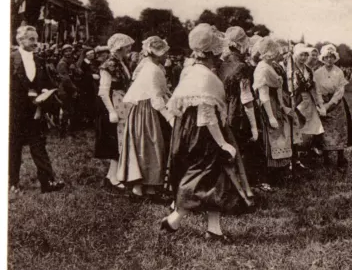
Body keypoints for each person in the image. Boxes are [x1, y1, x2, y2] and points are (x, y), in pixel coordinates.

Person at [162, 24, 253, 241]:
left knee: (216, 180)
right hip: (203, 134)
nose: (221, 57)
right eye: (218, 52)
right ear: (211, 52)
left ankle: (214, 229)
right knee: (203, 176)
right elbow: (206, 114)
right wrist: (222, 143)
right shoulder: (204, 76)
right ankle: (175, 218)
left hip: (191, 131)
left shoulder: (192, 70)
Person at [9, 25, 65, 194]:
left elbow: (48, 83)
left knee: (39, 145)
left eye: (36, 38)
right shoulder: (10, 59)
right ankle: (13, 183)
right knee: (13, 147)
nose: (36, 42)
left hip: (36, 111)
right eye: (31, 39)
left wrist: (45, 92)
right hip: (15, 112)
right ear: (20, 40)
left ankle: (48, 182)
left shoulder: (39, 60)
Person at [117, 36, 174, 198]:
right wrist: (170, 118)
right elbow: (157, 98)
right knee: (149, 145)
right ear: (157, 53)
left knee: (144, 146)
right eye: (164, 53)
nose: (166, 57)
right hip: (146, 110)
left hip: (141, 110)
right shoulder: (153, 69)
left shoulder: (150, 66)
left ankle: (146, 187)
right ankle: (142, 188)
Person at [219, 27, 259, 190]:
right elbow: (246, 96)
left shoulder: (222, 63)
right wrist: (255, 126)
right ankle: (242, 185)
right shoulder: (243, 66)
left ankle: (230, 183)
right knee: (242, 147)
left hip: (223, 108)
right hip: (237, 111)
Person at [95, 33, 134, 191]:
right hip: (114, 106)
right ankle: (113, 178)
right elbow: (103, 91)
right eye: (127, 46)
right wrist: (111, 111)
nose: (129, 49)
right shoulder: (108, 65)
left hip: (122, 104)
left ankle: (113, 176)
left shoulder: (120, 62)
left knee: (121, 142)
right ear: (119, 48)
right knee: (115, 143)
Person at [252, 37, 293, 188]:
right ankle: (267, 177)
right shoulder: (263, 68)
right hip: (268, 106)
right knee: (269, 139)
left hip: (275, 103)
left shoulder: (269, 66)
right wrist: (271, 116)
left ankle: (277, 174)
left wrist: (282, 105)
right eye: (275, 52)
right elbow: (263, 95)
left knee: (278, 138)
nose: (278, 54)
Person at [314, 44, 352, 170]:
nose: (329, 60)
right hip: (322, 103)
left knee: (339, 130)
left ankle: (341, 159)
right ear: (322, 58)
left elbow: (339, 91)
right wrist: (322, 105)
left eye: (331, 57)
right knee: (325, 131)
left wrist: (330, 104)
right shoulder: (318, 73)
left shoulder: (339, 72)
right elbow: (317, 91)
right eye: (326, 57)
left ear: (335, 58)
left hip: (336, 104)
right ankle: (326, 159)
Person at [286, 43, 326, 167]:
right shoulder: (289, 69)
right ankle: (294, 159)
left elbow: (315, 88)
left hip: (308, 101)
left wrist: (320, 104)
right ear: (296, 55)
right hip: (295, 101)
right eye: (301, 55)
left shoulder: (308, 70)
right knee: (296, 129)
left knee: (311, 129)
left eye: (305, 55)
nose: (303, 58)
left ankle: (307, 156)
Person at [57, 44, 79, 136]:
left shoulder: (71, 61)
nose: (68, 53)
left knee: (71, 110)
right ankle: (63, 131)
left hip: (70, 88)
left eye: (70, 51)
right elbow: (65, 79)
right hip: (65, 89)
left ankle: (70, 130)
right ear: (63, 53)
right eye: (66, 51)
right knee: (66, 110)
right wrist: (74, 89)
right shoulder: (62, 63)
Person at [75, 47, 100, 128]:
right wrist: (91, 76)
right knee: (87, 102)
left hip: (92, 85)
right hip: (86, 86)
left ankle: (92, 120)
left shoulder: (92, 62)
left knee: (92, 102)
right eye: (91, 54)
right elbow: (81, 75)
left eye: (93, 53)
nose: (93, 55)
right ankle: (87, 121)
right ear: (86, 55)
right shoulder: (82, 63)